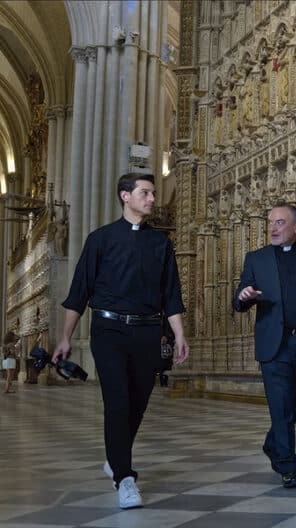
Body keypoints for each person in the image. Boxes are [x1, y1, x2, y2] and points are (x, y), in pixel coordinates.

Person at [52, 172, 190, 510]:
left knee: (138, 403)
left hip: (148, 331)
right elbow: (79, 292)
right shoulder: (100, 239)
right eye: (145, 193)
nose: (153, 199)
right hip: (109, 331)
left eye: (153, 193)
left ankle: (115, 457)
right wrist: (65, 337)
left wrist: (179, 334)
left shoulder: (160, 243)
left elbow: (171, 294)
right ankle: (124, 477)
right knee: (117, 401)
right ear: (125, 196)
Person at [233, 203, 296, 489]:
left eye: (279, 222)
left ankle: (274, 442)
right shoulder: (257, 259)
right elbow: (239, 299)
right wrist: (244, 296)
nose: (272, 228)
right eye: (270, 222)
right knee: (280, 404)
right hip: (275, 344)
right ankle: (288, 465)